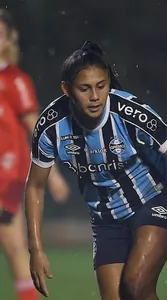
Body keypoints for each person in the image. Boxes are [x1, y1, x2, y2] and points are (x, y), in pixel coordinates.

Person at [25, 41, 167, 300]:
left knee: (135, 287)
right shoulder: (50, 127)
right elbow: (36, 186)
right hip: (106, 218)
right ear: (67, 90)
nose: (95, 97)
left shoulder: (130, 113)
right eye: (85, 89)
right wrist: (36, 250)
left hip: (156, 199)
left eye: (101, 86)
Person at [0, 10, 69, 300]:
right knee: (15, 248)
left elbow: (36, 128)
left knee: (16, 249)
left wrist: (53, 176)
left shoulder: (14, 80)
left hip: (7, 177)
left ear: (8, 40)